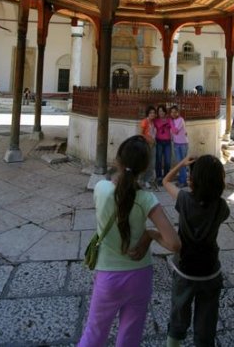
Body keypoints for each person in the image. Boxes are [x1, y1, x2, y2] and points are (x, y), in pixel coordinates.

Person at [78, 135, 181, 347]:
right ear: (144, 168)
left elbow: (117, 192)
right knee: (130, 337)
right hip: (139, 276)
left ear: (118, 160)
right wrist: (149, 235)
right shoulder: (146, 199)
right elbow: (174, 244)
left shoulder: (101, 189)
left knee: (94, 333)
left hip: (107, 275)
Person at [163, 154, 230, 347]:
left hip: (185, 270)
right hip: (210, 271)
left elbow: (167, 181)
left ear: (191, 181)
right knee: (207, 321)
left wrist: (182, 164)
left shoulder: (183, 200)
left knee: (179, 314)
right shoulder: (221, 207)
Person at [169, 105, 189, 188]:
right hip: (176, 143)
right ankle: (182, 180)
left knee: (182, 163)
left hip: (183, 144)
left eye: (175, 112)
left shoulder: (180, 120)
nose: (173, 114)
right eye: (172, 112)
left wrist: (170, 122)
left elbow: (175, 131)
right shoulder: (173, 121)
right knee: (179, 163)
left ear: (178, 112)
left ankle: (183, 181)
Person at [154, 104, 172, 185]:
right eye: (159, 111)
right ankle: (159, 177)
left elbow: (173, 127)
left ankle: (166, 178)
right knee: (159, 160)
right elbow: (157, 126)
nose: (160, 112)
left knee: (167, 161)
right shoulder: (156, 120)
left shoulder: (169, 120)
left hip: (168, 142)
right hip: (159, 142)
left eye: (162, 111)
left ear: (165, 112)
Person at [140, 105, 156, 188]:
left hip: (153, 145)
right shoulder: (144, 121)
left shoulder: (153, 122)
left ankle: (147, 180)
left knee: (151, 164)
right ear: (147, 113)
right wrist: (148, 139)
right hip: (146, 145)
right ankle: (141, 180)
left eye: (153, 113)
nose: (152, 114)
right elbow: (141, 134)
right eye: (150, 112)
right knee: (145, 163)